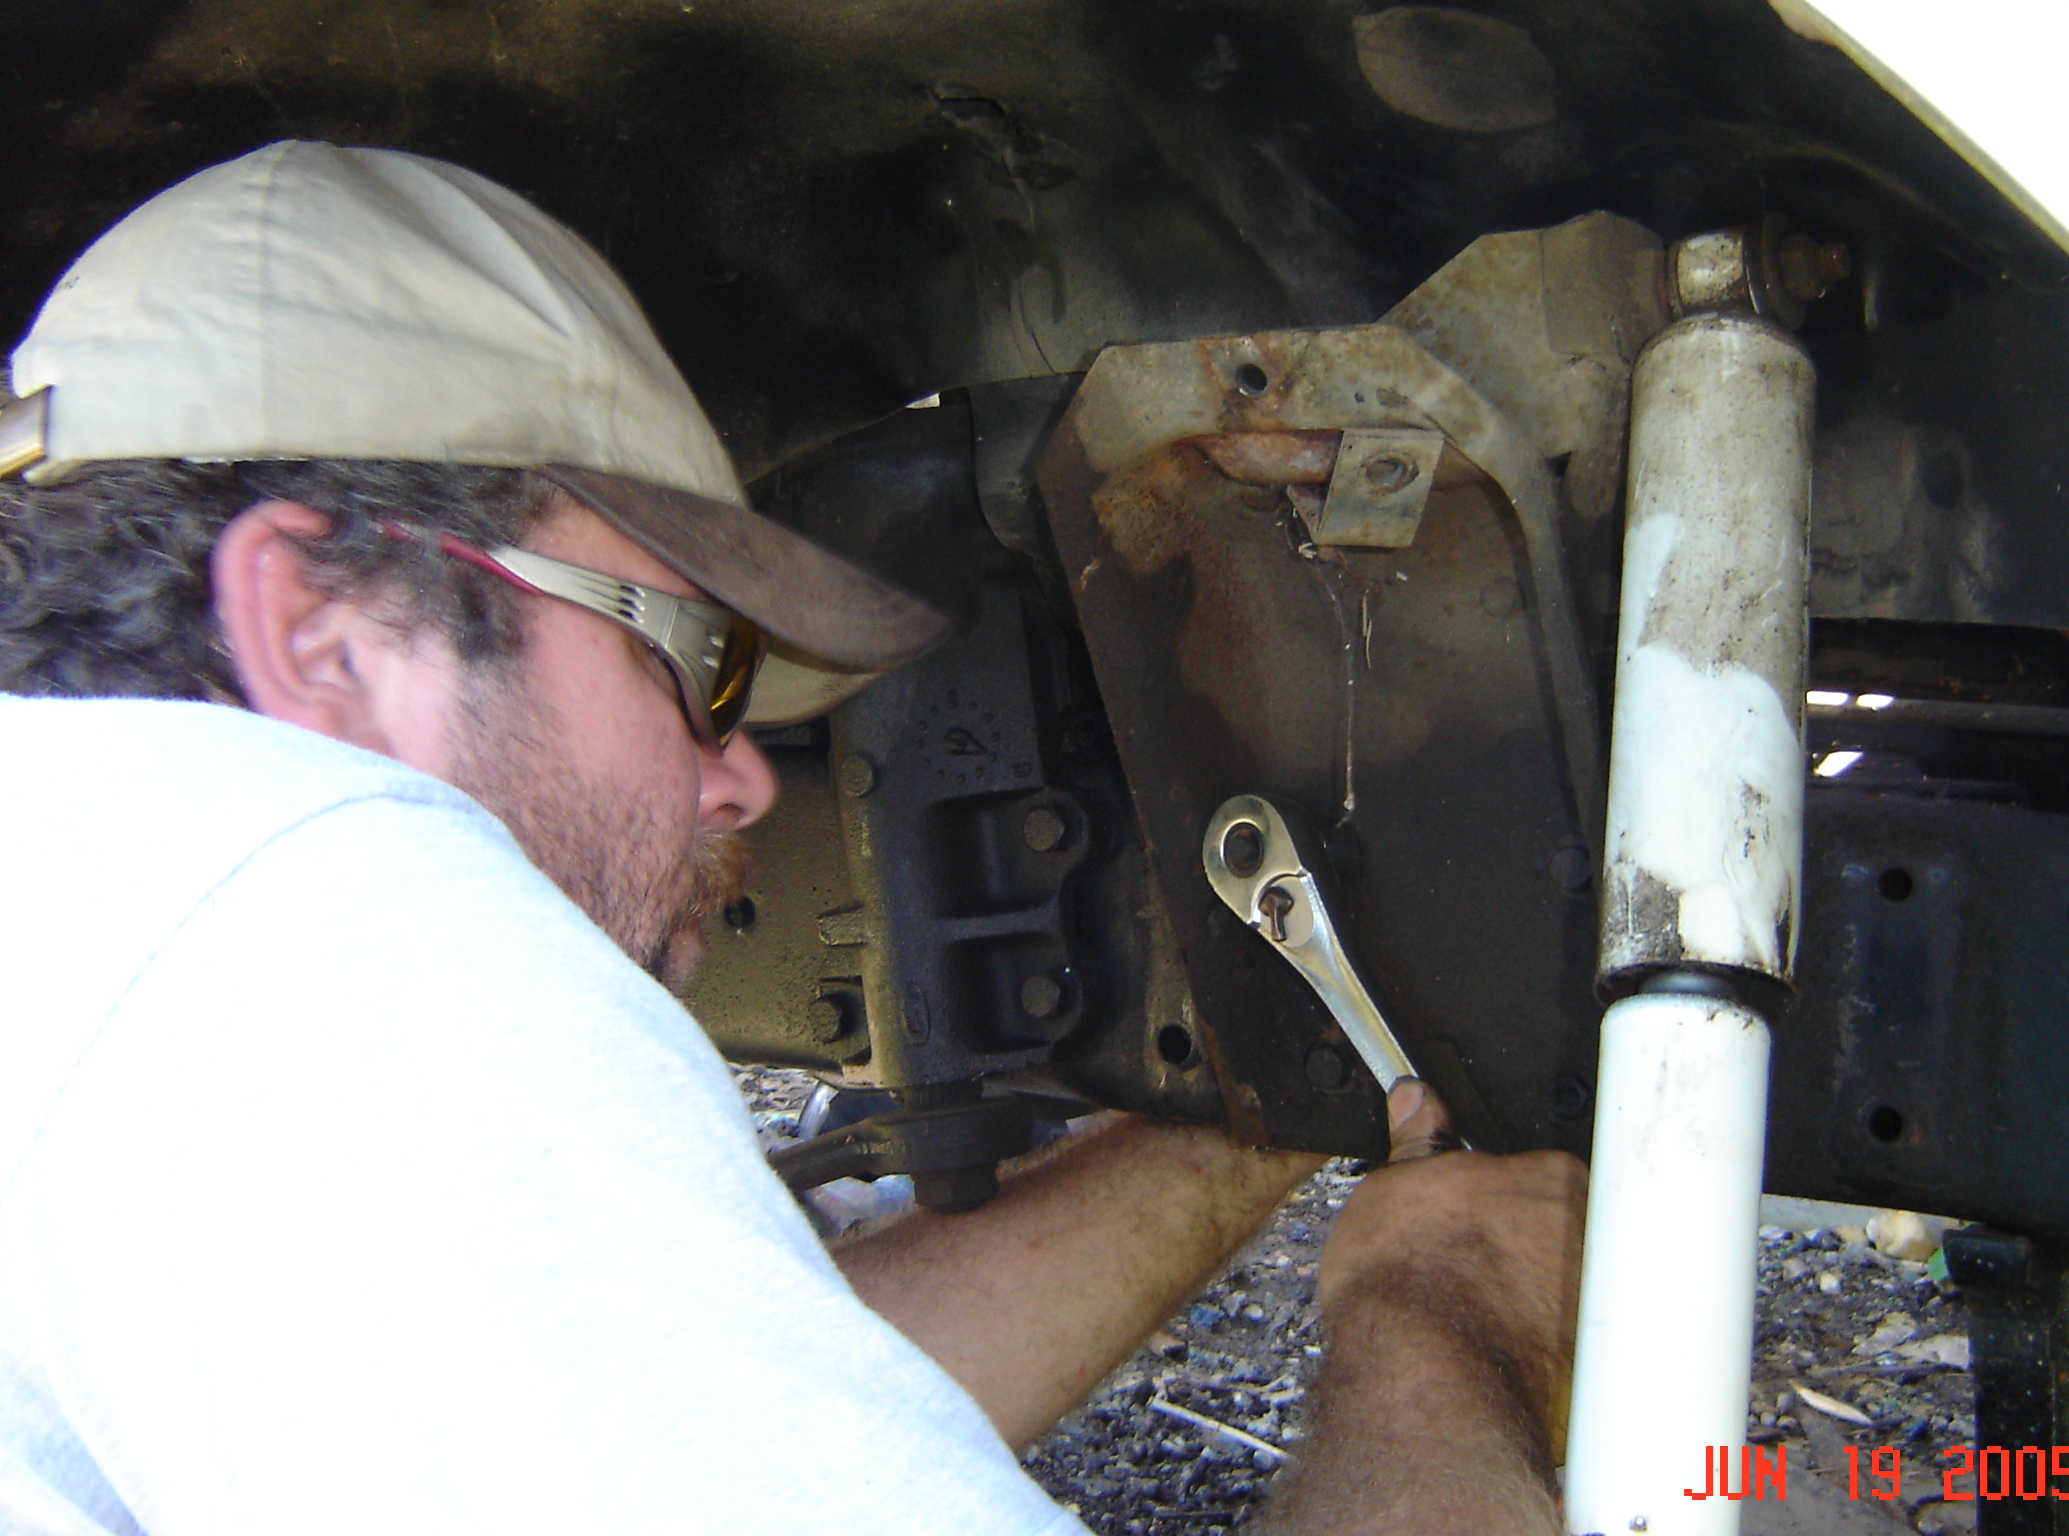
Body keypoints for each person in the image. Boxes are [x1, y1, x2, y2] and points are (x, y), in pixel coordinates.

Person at [0, 141, 1584, 1535]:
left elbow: (701, 1422)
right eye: (693, 660)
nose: (746, 777)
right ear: (325, 631)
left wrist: (1268, 1116)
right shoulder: (313, 920)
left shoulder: (106, 923)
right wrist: (1447, 1315)